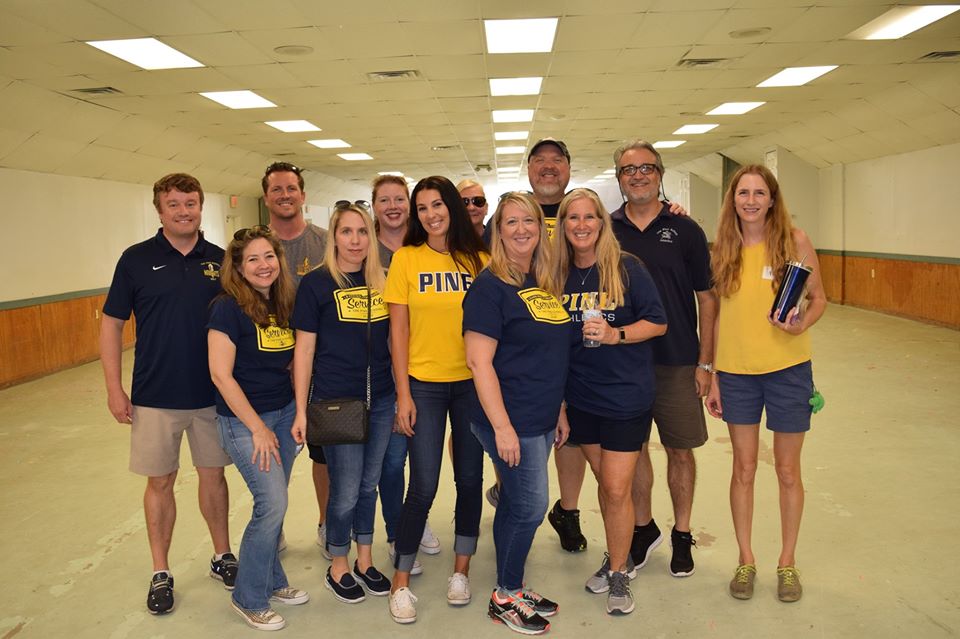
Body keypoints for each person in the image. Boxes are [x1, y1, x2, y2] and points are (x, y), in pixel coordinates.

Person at [100, 173, 234, 615]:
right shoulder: (135, 260)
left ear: (201, 207)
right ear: (159, 210)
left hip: (212, 394)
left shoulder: (221, 260)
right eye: (174, 204)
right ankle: (161, 570)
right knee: (160, 482)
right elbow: (112, 324)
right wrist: (114, 389)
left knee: (214, 476)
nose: (183, 211)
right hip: (154, 395)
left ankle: (222, 555)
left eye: (191, 203)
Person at [705, 164, 826, 603]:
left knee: (789, 470)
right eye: (743, 193)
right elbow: (717, 315)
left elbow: (819, 299)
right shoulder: (723, 249)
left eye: (759, 193)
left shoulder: (794, 242)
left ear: (772, 199)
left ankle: (787, 563)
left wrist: (799, 326)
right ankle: (745, 558)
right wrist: (714, 374)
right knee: (744, 468)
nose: (751, 200)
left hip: (789, 370)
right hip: (737, 374)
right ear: (732, 200)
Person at [550, 189, 667, 615]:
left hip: (624, 397)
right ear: (562, 226)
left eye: (589, 217)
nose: (581, 225)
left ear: (602, 222)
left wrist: (617, 334)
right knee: (607, 487)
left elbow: (657, 322)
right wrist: (559, 403)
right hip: (581, 398)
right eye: (572, 218)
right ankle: (616, 556)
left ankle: (619, 570)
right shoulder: (557, 275)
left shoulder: (627, 268)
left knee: (617, 488)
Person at [463, 192, 570, 635]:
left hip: (541, 415)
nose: (522, 229)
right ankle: (505, 595)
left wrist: (559, 409)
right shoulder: (490, 288)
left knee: (513, 502)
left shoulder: (539, 282)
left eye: (529, 220)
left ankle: (513, 585)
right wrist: (502, 427)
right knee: (530, 507)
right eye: (511, 222)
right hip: (510, 418)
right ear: (497, 231)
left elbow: (550, 351)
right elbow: (478, 361)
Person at [610, 140, 717, 578]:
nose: (638, 175)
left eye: (646, 168)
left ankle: (682, 533)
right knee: (631, 452)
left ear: (660, 173)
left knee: (680, 451)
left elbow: (707, 300)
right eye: (628, 169)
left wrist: (706, 363)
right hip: (624, 363)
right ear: (618, 178)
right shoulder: (606, 228)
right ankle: (642, 528)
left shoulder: (685, 230)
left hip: (677, 362)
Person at [383, 175, 487, 624]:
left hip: (471, 384)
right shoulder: (406, 259)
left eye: (438, 205)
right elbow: (398, 331)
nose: (430, 214)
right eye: (422, 208)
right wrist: (403, 392)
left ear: (453, 208)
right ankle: (400, 581)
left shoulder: (480, 260)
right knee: (422, 484)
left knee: (469, 478)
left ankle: (461, 571)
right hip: (423, 384)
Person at [291, 205, 397, 604]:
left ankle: (365, 560)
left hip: (382, 399)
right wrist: (301, 409)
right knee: (346, 491)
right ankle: (338, 563)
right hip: (337, 403)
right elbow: (304, 351)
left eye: (362, 233)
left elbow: (392, 343)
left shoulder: (382, 282)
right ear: (333, 236)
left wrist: (401, 395)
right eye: (347, 232)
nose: (355, 241)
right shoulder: (316, 285)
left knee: (369, 485)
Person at [208, 226, 308, 630]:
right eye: (252, 259)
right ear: (238, 266)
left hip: (283, 414)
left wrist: (296, 413)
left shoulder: (283, 302)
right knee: (272, 505)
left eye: (269, 256)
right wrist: (258, 429)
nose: (263, 265)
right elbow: (220, 374)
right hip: (244, 421)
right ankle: (248, 597)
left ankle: (271, 579)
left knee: (276, 501)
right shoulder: (226, 307)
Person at [371, 175, 440, 568]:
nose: (393, 206)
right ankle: (398, 532)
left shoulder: (424, 245)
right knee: (394, 460)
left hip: (425, 370)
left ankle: (416, 520)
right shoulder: (367, 251)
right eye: (385, 199)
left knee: (424, 459)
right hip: (384, 373)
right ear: (375, 205)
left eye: (401, 199)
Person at [262, 161, 330, 553]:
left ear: (303, 195)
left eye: (292, 189)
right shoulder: (254, 245)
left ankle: (325, 523)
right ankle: (274, 526)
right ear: (267, 197)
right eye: (277, 190)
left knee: (322, 454)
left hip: (320, 369)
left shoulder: (324, 243)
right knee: (274, 455)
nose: (285, 195)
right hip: (269, 370)